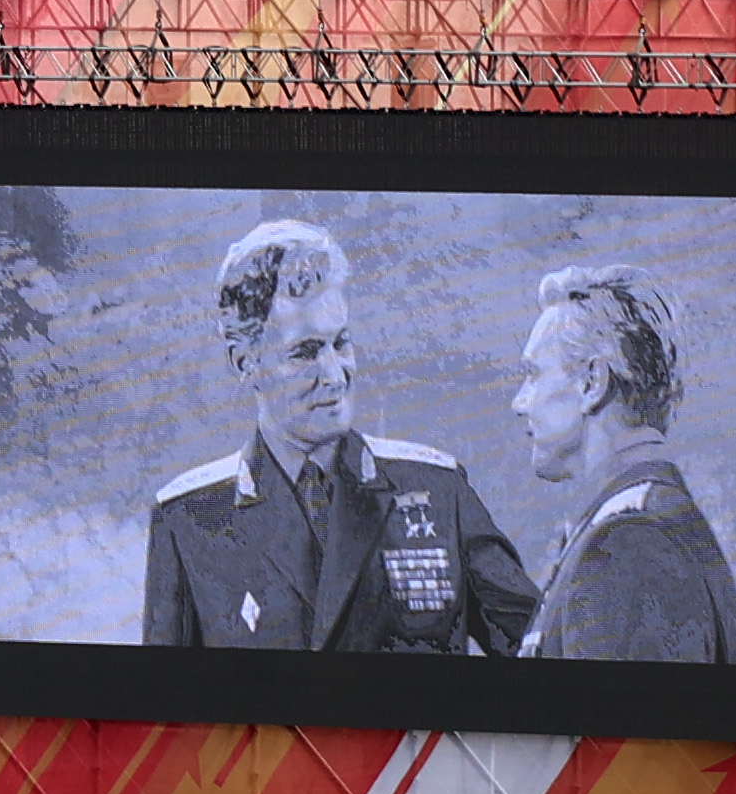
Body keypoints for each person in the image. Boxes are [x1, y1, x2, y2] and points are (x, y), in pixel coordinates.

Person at [139, 218, 537, 654]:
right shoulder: (189, 519)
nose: (334, 374)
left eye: (340, 343)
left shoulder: (437, 491)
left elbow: (545, 655)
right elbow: (167, 707)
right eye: (305, 352)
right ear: (244, 363)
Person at [512, 264, 736, 664]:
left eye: (533, 376)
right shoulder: (642, 521)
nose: (520, 402)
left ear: (593, 383)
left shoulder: (628, 545)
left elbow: (619, 728)